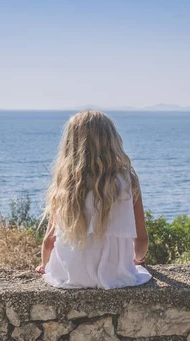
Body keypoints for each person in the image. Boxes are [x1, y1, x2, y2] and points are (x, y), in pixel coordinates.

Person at [36, 110, 152, 289]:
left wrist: (45, 266)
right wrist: (138, 260)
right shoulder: (127, 181)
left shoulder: (66, 182)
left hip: (69, 276)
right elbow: (141, 240)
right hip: (118, 277)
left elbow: (48, 242)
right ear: (112, 141)